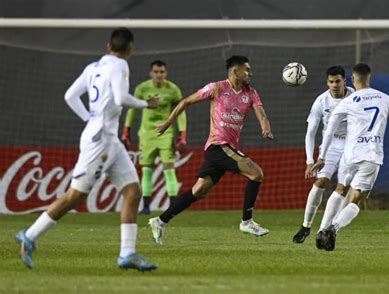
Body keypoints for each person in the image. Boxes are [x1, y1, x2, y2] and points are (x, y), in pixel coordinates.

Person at [15, 28, 158, 271]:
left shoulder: (93, 68)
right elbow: (121, 98)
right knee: (76, 196)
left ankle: (128, 254)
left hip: (108, 138)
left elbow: (70, 95)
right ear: (130, 50)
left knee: (133, 192)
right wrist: (147, 103)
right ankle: (29, 235)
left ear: (107, 46)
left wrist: (89, 118)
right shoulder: (121, 65)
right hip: (100, 141)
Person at [148, 55, 274, 245]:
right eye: (246, 70)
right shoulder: (217, 88)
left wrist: (266, 127)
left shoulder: (251, 93)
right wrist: (167, 123)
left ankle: (160, 220)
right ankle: (247, 222)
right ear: (235, 71)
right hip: (217, 145)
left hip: (226, 149)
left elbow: (262, 115)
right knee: (256, 173)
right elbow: (186, 102)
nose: (250, 73)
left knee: (198, 191)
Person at [311, 63, 389, 251]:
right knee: (356, 199)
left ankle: (321, 230)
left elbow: (329, 131)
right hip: (371, 156)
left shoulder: (348, 100)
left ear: (353, 80)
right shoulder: (385, 98)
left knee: (339, 190)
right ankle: (333, 229)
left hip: (349, 154)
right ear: (369, 78)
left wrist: (322, 156)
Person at [292, 66, 354, 246]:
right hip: (330, 147)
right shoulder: (321, 101)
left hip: (351, 147)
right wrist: (309, 161)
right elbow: (310, 133)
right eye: (331, 81)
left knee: (343, 188)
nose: (334, 85)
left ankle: (328, 229)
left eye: (338, 81)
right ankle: (306, 226)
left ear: (345, 81)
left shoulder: (355, 97)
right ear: (327, 82)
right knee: (320, 182)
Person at [122, 60, 187, 215]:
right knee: (147, 171)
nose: (159, 75)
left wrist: (182, 133)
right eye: (156, 72)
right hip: (147, 134)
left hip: (166, 133)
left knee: (169, 169)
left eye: (162, 72)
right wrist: (126, 130)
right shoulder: (142, 89)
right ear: (151, 73)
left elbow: (180, 111)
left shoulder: (173, 90)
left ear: (166, 73)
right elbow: (133, 110)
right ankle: (145, 207)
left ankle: (173, 206)